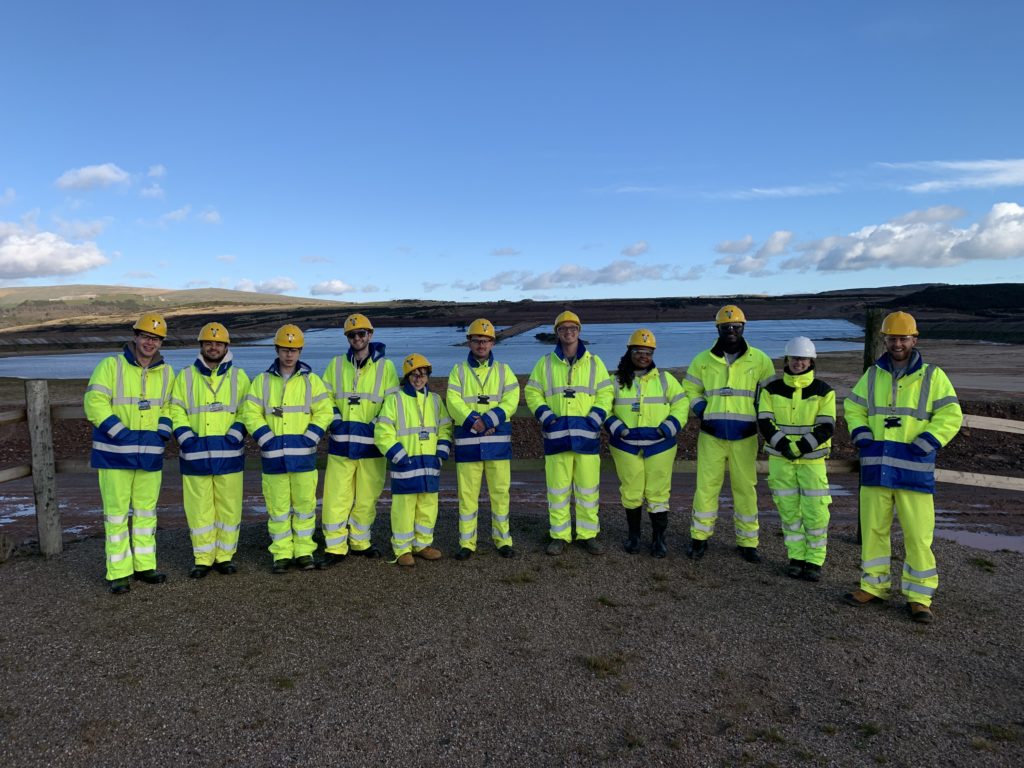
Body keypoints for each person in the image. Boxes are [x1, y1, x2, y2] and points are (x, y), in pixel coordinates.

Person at [842, 311, 962, 624]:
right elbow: (853, 406)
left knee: (918, 535)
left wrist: (929, 440)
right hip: (876, 465)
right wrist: (861, 432)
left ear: (914, 339)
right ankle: (872, 586)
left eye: (903, 338)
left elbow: (951, 415)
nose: (897, 343)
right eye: (892, 338)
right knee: (873, 530)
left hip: (914, 468)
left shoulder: (933, 376)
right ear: (885, 339)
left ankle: (919, 597)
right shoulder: (872, 374)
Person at [83, 313, 175, 594]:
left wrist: (163, 430)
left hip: (149, 455)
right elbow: (94, 402)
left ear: (161, 343)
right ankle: (119, 572)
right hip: (114, 454)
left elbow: (172, 406)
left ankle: (145, 565)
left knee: (147, 512)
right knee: (116, 514)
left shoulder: (167, 372)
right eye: (146, 336)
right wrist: (120, 432)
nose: (150, 342)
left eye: (156, 338)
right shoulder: (111, 366)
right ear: (135, 336)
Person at [683, 305, 775, 562]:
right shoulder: (703, 360)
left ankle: (748, 542)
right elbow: (690, 389)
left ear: (743, 328)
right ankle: (699, 538)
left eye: (736, 327)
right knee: (706, 487)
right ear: (718, 329)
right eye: (726, 327)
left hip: (745, 436)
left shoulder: (760, 360)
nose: (731, 331)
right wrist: (703, 411)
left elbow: (769, 397)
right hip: (711, 434)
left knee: (746, 489)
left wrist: (759, 418)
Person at [240, 324, 332, 573]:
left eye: (293, 350)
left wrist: (310, 437)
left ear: (300, 351)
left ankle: (304, 551)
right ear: (277, 350)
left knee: (304, 507)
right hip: (273, 458)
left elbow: (324, 412)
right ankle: (281, 553)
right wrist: (266, 438)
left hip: (303, 458)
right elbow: (250, 413)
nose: (289, 354)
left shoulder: (313, 381)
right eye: (284, 349)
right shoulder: (262, 381)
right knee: (278, 509)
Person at [525, 310, 613, 556]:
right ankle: (560, 535)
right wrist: (546, 416)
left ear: (579, 330)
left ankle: (587, 535)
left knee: (587, 490)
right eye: (563, 328)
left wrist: (595, 419)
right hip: (556, 438)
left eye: (572, 327)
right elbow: (532, 392)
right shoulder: (545, 363)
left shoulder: (595, 363)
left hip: (587, 439)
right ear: (557, 332)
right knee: (558, 491)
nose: (568, 332)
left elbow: (606, 393)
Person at [169, 322, 251, 578]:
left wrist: (235, 435)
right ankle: (202, 558)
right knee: (199, 510)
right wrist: (186, 438)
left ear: (226, 346)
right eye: (208, 342)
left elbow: (247, 410)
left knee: (229, 508)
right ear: (201, 345)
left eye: (218, 343)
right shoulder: (185, 377)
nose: (213, 347)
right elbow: (175, 409)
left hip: (229, 455)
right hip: (195, 455)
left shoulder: (239, 377)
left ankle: (225, 556)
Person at [319, 313, 399, 565]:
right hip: (342, 444)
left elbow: (393, 403)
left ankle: (360, 542)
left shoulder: (386, 368)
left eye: (361, 334)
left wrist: (375, 427)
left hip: (373, 447)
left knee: (367, 498)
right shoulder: (335, 364)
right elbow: (324, 398)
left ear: (370, 335)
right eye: (352, 335)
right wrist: (336, 421)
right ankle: (335, 547)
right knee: (336, 497)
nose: (357, 338)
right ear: (348, 338)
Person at [757, 336, 835, 581]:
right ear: (787, 360)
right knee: (789, 512)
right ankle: (796, 557)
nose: (798, 363)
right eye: (794, 358)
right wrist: (784, 445)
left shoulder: (824, 391)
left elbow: (827, 426)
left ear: (811, 361)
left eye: (802, 359)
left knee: (816, 513)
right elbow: (764, 421)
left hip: (811, 462)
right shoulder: (772, 389)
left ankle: (814, 561)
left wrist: (799, 447)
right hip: (781, 462)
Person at [605, 329, 688, 557]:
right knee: (631, 491)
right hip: (625, 445)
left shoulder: (665, 379)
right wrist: (616, 426)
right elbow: (602, 407)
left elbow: (681, 405)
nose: (644, 356)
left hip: (660, 444)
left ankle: (658, 539)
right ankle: (634, 536)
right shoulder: (614, 381)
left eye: (648, 352)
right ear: (630, 351)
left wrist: (669, 427)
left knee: (658, 492)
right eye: (639, 351)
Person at [446, 318, 521, 560]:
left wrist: (487, 421)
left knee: (500, 493)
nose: (481, 345)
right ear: (469, 342)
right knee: (467, 496)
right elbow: (453, 401)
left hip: (497, 443)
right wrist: (474, 422)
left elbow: (511, 400)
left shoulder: (504, 370)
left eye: (486, 340)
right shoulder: (458, 371)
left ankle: (503, 540)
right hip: (469, 444)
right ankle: (467, 543)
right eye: (477, 340)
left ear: (492, 343)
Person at [374, 353, 453, 567]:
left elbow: (445, 428)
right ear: (407, 376)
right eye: (414, 374)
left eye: (423, 374)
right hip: (405, 465)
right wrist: (399, 456)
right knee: (403, 510)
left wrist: (440, 454)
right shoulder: (394, 400)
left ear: (428, 375)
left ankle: (423, 545)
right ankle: (402, 549)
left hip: (429, 465)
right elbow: (382, 432)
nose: (418, 378)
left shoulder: (436, 401)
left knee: (428, 507)